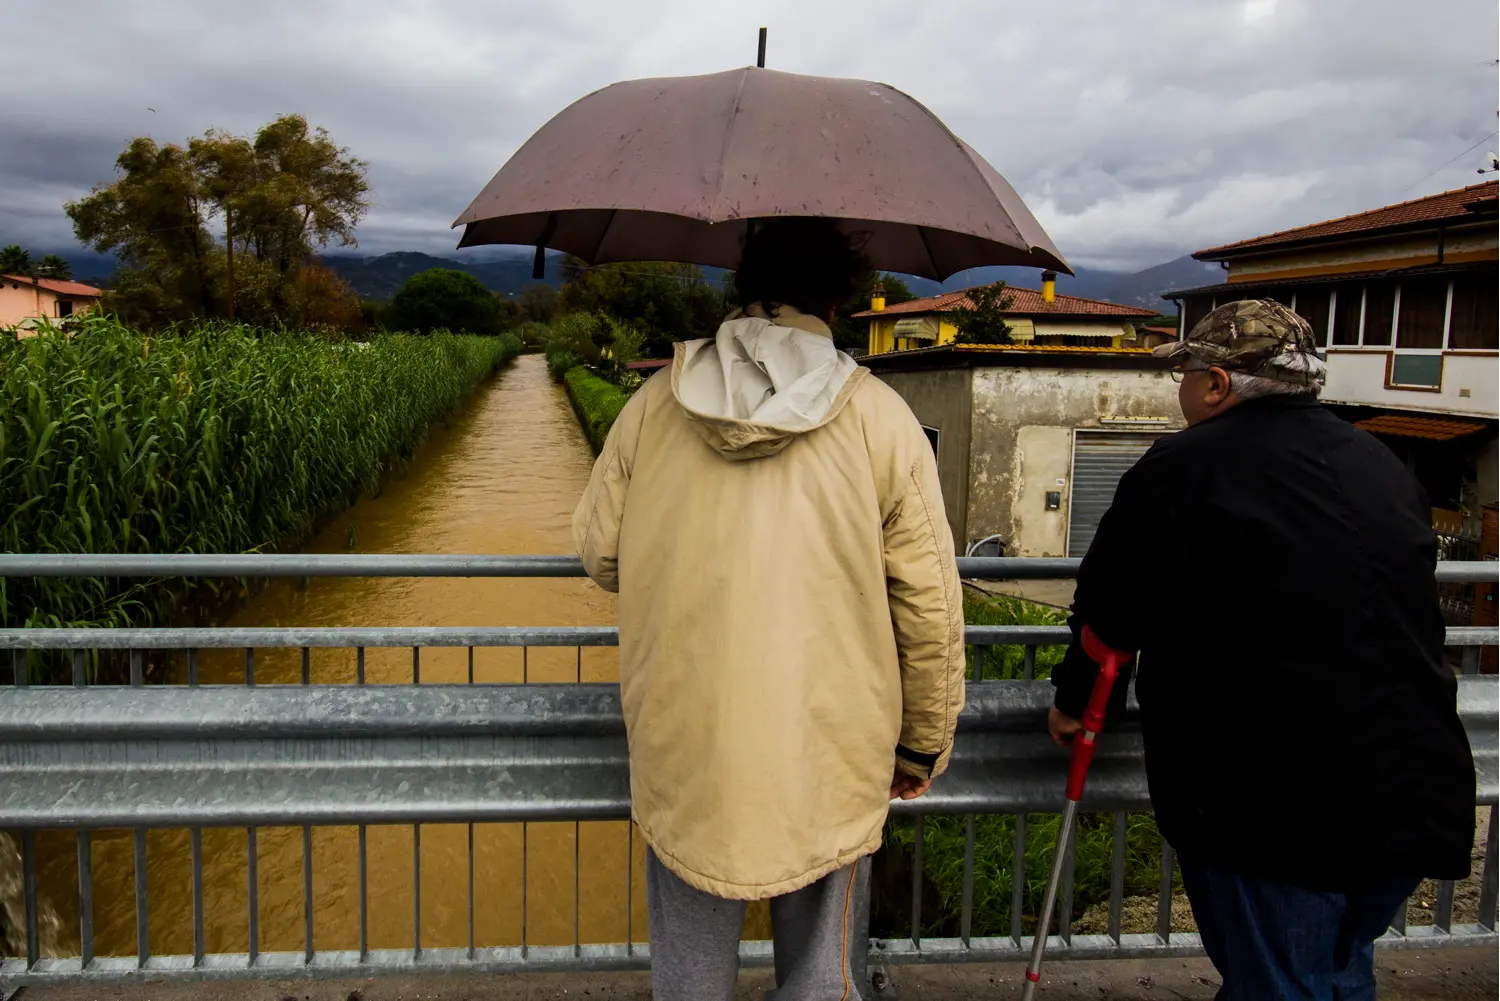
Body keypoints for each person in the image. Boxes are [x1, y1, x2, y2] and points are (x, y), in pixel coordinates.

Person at [572, 217, 965, 1001]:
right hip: (833, 740)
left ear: (744, 283)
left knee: (688, 971)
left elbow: (599, 553)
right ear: (841, 296)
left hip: (684, 734)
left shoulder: (656, 402)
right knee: (823, 974)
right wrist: (923, 741)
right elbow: (929, 604)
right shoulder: (879, 416)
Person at [1048, 300, 1476, 1001]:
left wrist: (1074, 701)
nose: (1178, 386)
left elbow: (1111, 608)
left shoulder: (1183, 465)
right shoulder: (1380, 462)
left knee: (1281, 985)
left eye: (1185, 371)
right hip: (1412, 786)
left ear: (1216, 384)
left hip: (1275, 802)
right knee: (1337, 974)